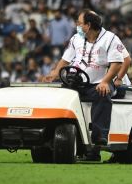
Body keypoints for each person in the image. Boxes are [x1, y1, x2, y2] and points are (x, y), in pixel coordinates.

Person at [42, 9, 123, 146]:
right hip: (75, 81)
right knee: (57, 95)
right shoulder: (76, 38)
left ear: (88, 25)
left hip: (98, 83)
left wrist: (105, 81)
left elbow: (117, 63)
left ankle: (99, 136)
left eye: (79, 23)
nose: (76, 25)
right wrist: (55, 73)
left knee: (103, 93)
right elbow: (65, 59)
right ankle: (51, 135)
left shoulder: (110, 39)